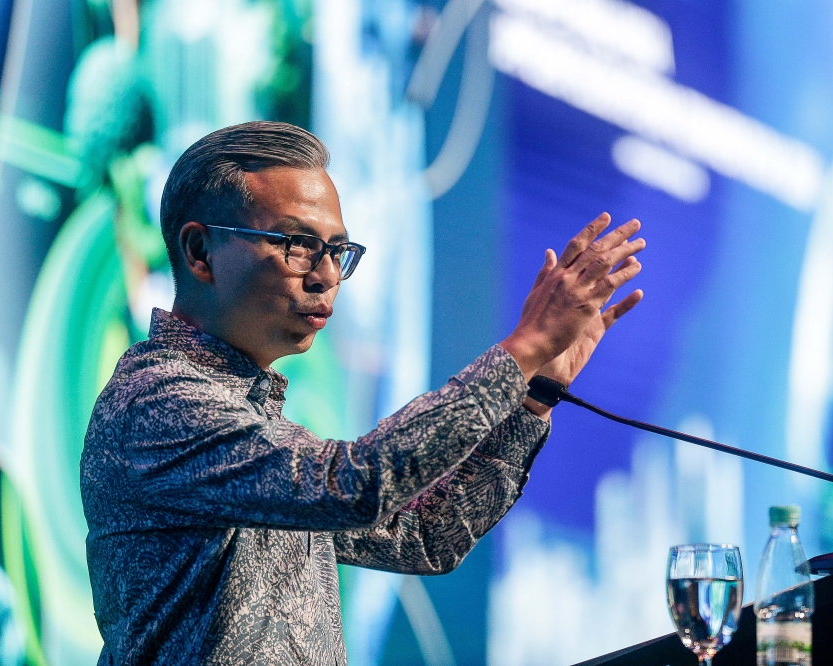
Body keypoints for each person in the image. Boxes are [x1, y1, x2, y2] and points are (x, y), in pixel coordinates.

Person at [80, 121, 646, 665]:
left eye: (337, 251)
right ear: (201, 252)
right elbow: (356, 483)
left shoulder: (254, 427)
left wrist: (535, 391)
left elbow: (426, 535)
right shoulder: (157, 402)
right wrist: (522, 349)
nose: (326, 275)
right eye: (298, 244)